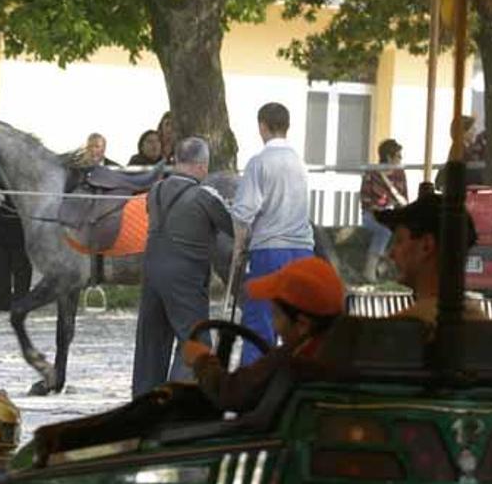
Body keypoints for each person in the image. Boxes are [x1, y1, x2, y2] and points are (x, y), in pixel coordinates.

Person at [132, 137, 234, 397]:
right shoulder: (204, 196)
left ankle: (144, 402)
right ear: (202, 166)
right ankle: (176, 399)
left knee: (151, 343)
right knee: (195, 340)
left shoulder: (155, 191)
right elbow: (233, 227)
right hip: (185, 276)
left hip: (152, 273)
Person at [183, 257, 344, 412]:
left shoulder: (294, 360)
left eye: (276, 315)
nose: (274, 325)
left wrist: (202, 360)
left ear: (302, 324)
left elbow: (230, 393)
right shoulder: (345, 352)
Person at [232, 102, 314, 365]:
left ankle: (254, 386)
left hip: (270, 248)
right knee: (297, 324)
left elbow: (243, 212)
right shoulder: (301, 163)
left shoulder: (260, 162)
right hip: (302, 249)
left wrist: (239, 245)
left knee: (260, 322)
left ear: (262, 126)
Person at [375, 193, 486, 327]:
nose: (391, 254)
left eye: (399, 240)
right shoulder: (483, 324)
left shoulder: (402, 330)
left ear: (426, 246)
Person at [359, 138, 408, 281]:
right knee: (384, 230)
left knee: (408, 231)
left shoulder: (400, 174)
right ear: (388, 157)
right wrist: (379, 210)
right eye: (398, 156)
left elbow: (404, 200)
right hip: (372, 215)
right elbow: (365, 200)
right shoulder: (372, 173)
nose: (401, 159)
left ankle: (383, 265)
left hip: (391, 214)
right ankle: (370, 267)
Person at [0, 188, 32, 311]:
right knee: (1, 270)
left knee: (20, 269)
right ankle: (3, 303)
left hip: (19, 232)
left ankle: (20, 302)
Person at [435, 115, 486, 189]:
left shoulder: (464, 148)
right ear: (463, 132)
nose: (475, 130)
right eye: (471, 128)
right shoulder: (459, 149)